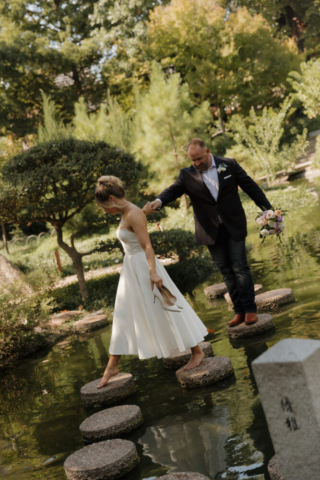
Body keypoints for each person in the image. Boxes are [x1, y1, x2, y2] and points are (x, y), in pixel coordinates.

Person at [95, 175, 209, 388]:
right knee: (124, 314)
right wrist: (143, 214)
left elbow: (147, 246)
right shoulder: (129, 212)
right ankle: (113, 365)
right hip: (132, 269)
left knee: (168, 306)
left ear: (110, 198)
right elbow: (134, 224)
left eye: (102, 206)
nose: (103, 210)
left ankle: (196, 351)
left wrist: (153, 272)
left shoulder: (133, 212)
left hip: (145, 267)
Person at [145, 138, 272, 327]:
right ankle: (238, 312)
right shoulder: (187, 174)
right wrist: (159, 201)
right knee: (226, 272)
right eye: (192, 160)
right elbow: (172, 190)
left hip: (233, 224)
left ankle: (250, 310)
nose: (196, 163)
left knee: (240, 267)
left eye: (199, 159)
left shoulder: (229, 165)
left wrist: (268, 210)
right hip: (210, 231)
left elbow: (250, 187)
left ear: (207, 151)